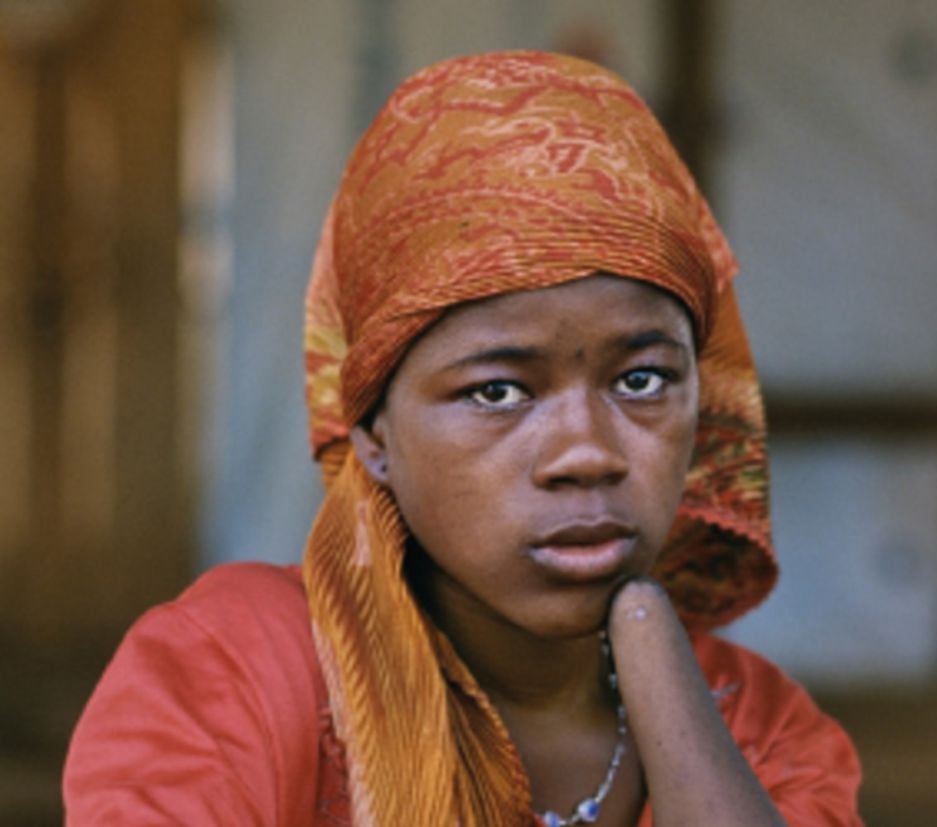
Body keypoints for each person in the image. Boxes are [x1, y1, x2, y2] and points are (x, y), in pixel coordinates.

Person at [63, 51, 863, 826]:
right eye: (497, 390)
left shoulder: (762, 730)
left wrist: (650, 641)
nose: (588, 451)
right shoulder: (233, 675)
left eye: (642, 380)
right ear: (373, 428)